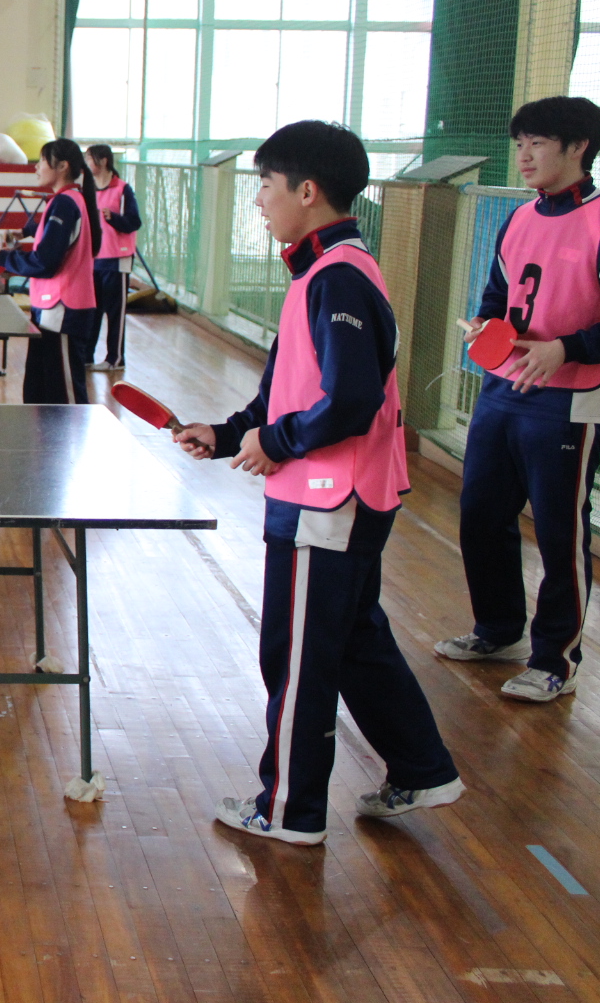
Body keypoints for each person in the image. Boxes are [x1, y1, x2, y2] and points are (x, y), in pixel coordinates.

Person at [172, 120, 460, 845]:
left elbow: (351, 400)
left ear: (307, 191)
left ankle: (289, 811)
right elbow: (287, 388)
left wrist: (276, 442)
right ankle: (422, 768)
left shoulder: (338, 277)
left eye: (266, 185)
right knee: (355, 640)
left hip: (329, 502)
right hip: (333, 497)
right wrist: (231, 433)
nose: (258, 201)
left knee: (296, 658)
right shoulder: (319, 272)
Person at [440, 96, 600, 702]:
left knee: (560, 532)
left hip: (571, 400)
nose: (524, 155)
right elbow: (497, 297)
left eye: (536, 143)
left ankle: (556, 661)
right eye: (519, 143)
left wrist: (568, 349)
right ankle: (497, 631)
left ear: (578, 147)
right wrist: (485, 327)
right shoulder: (519, 218)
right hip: (502, 390)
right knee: (481, 514)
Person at [0, 138, 102, 404]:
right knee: (39, 389)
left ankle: (72, 434)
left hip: (63, 311)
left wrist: (3, 258)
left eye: (43, 160)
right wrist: (18, 241)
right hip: (50, 309)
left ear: (63, 166)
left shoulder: (66, 203)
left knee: (64, 397)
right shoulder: (64, 201)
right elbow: (49, 239)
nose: (36, 166)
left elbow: (45, 262)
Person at [86, 144, 142, 372]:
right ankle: (86, 357)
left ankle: (115, 359)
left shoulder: (123, 189)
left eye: (90, 159)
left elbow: (134, 222)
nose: (87, 164)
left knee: (115, 313)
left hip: (117, 260)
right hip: (94, 259)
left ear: (103, 161)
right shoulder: (88, 189)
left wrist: (114, 219)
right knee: (93, 311)